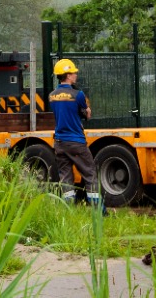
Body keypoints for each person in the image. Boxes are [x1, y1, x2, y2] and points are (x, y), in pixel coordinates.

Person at [49, 58, 100, 209]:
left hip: (59, 142)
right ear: (68, 75)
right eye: (74, 73)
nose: (76, 75)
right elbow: (86, 114)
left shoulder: (52, 96)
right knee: (89, 173)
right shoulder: (78, 95)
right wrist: (87, 110)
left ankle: (69, 209)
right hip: (76, 141)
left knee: (65, 177)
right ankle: (98, 210)